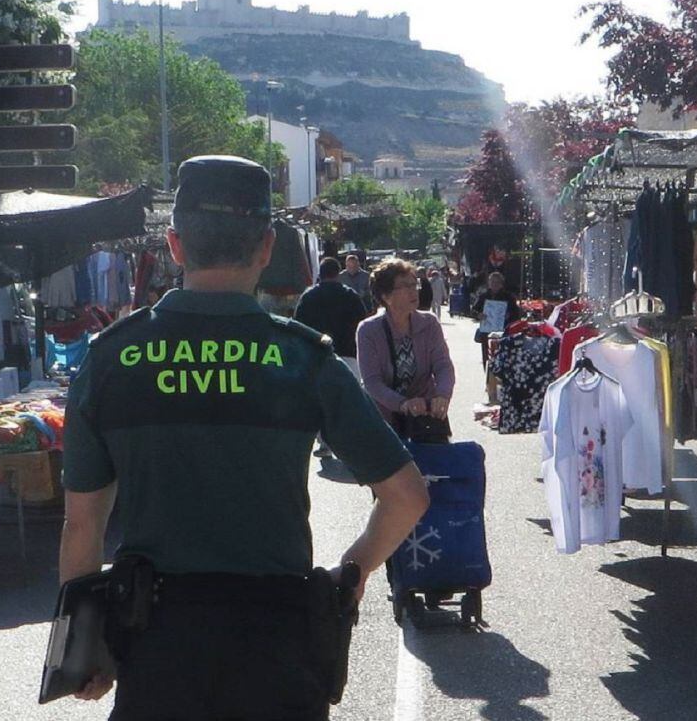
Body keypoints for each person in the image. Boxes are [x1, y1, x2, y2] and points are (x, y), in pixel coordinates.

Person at [60, 156, 429, 721]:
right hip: (279, 647)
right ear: (266, 247)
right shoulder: (302, 357)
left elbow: (82, 523)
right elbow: (407, 496)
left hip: (156, 647)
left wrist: (86, 648)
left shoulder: (112, 357)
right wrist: (350, 574)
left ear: (174, 245)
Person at [357, 258, 455, 432]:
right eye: (405, 287)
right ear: (386, 296)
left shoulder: (429, 323)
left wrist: (442, 395)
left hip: (426, 419)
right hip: (384, 422)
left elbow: (443, 365)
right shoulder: (368, 330)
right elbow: (372, 382)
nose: (414, 292)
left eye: (414, 284)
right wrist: (403, 404)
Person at [294, 256, 368, 457]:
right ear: (338, 273)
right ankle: (350, 442)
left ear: (321, 273)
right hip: (349, 354)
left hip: (317, 356)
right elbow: (364, 325)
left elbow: (298, 326)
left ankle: (325, 443)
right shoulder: (351, 296)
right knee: (350, 401)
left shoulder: (308, 297)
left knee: (321, 403)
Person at [472, 271, 521, 367]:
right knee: (486, 355)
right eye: (492, 282)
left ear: (501, 284)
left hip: (503, 331)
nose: (495, 284)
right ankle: (487, 371)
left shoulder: (509, 297)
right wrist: (479, 315)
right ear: (489, 283)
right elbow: (473, 310)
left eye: (497, 282)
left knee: (502, 354)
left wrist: (508, 316)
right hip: (486, 331)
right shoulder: (483, 296)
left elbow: (516, 314)